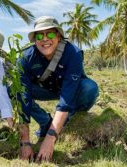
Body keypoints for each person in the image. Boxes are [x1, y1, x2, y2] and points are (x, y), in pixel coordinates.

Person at [17, 16, 99, 162]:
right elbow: (24, 98)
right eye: (39, 35)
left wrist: (50, 138)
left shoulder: (72, 53)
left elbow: (66, 99)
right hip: (43, 90)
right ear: (34, 39)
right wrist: (25, 142)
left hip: (70, 90)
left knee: (90, 88)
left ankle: (68, 124)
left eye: (50, 34)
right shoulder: (25, 58)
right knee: (13, 89)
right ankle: (45, 121)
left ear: (59, 36)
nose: (45, 39)